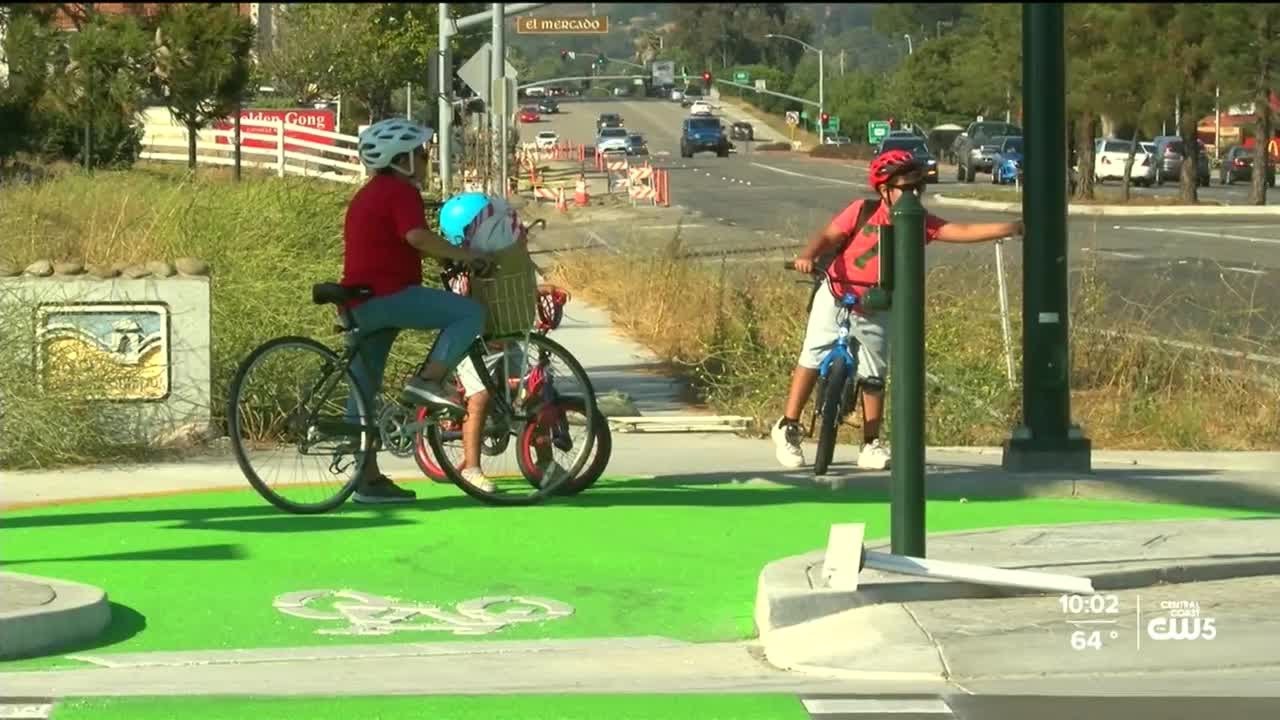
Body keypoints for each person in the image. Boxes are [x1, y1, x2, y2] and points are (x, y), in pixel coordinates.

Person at [772, 148, 1024, 471]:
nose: (911, 195)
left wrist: (1010, 228)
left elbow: (957, 231)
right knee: (812, 354)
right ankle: (788, 425)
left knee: (874, 373)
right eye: (903, 188)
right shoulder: (862, 211)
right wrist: (807, 256)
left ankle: (870, 442)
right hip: (838, 291)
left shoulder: (917, 222)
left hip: (877, 304)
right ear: (884, 190)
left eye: (916, 189)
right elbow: (827, 236)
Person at [341, 118, 490, 504]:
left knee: (363, 388)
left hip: (361, 301)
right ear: (402, 160)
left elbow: (401, 244)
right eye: (421, 154)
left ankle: (366, 479)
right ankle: (429, 379)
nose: (426, 160)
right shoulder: (399, 191)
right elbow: (416, 236)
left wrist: (441, 258)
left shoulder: (369, 193)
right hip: (391, 296)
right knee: (469, 314)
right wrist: (465, 255)